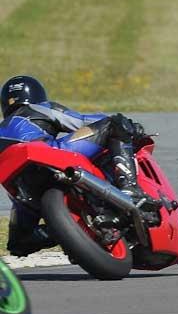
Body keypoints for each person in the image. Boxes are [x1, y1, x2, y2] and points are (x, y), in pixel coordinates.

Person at [0, 75, 152, 256]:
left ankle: (68, 231)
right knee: (114, 124)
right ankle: (130, 187)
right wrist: (130, 127)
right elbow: (83, 121)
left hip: (20, 185)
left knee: (19, 243)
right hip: (46, 154)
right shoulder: (39, 108)